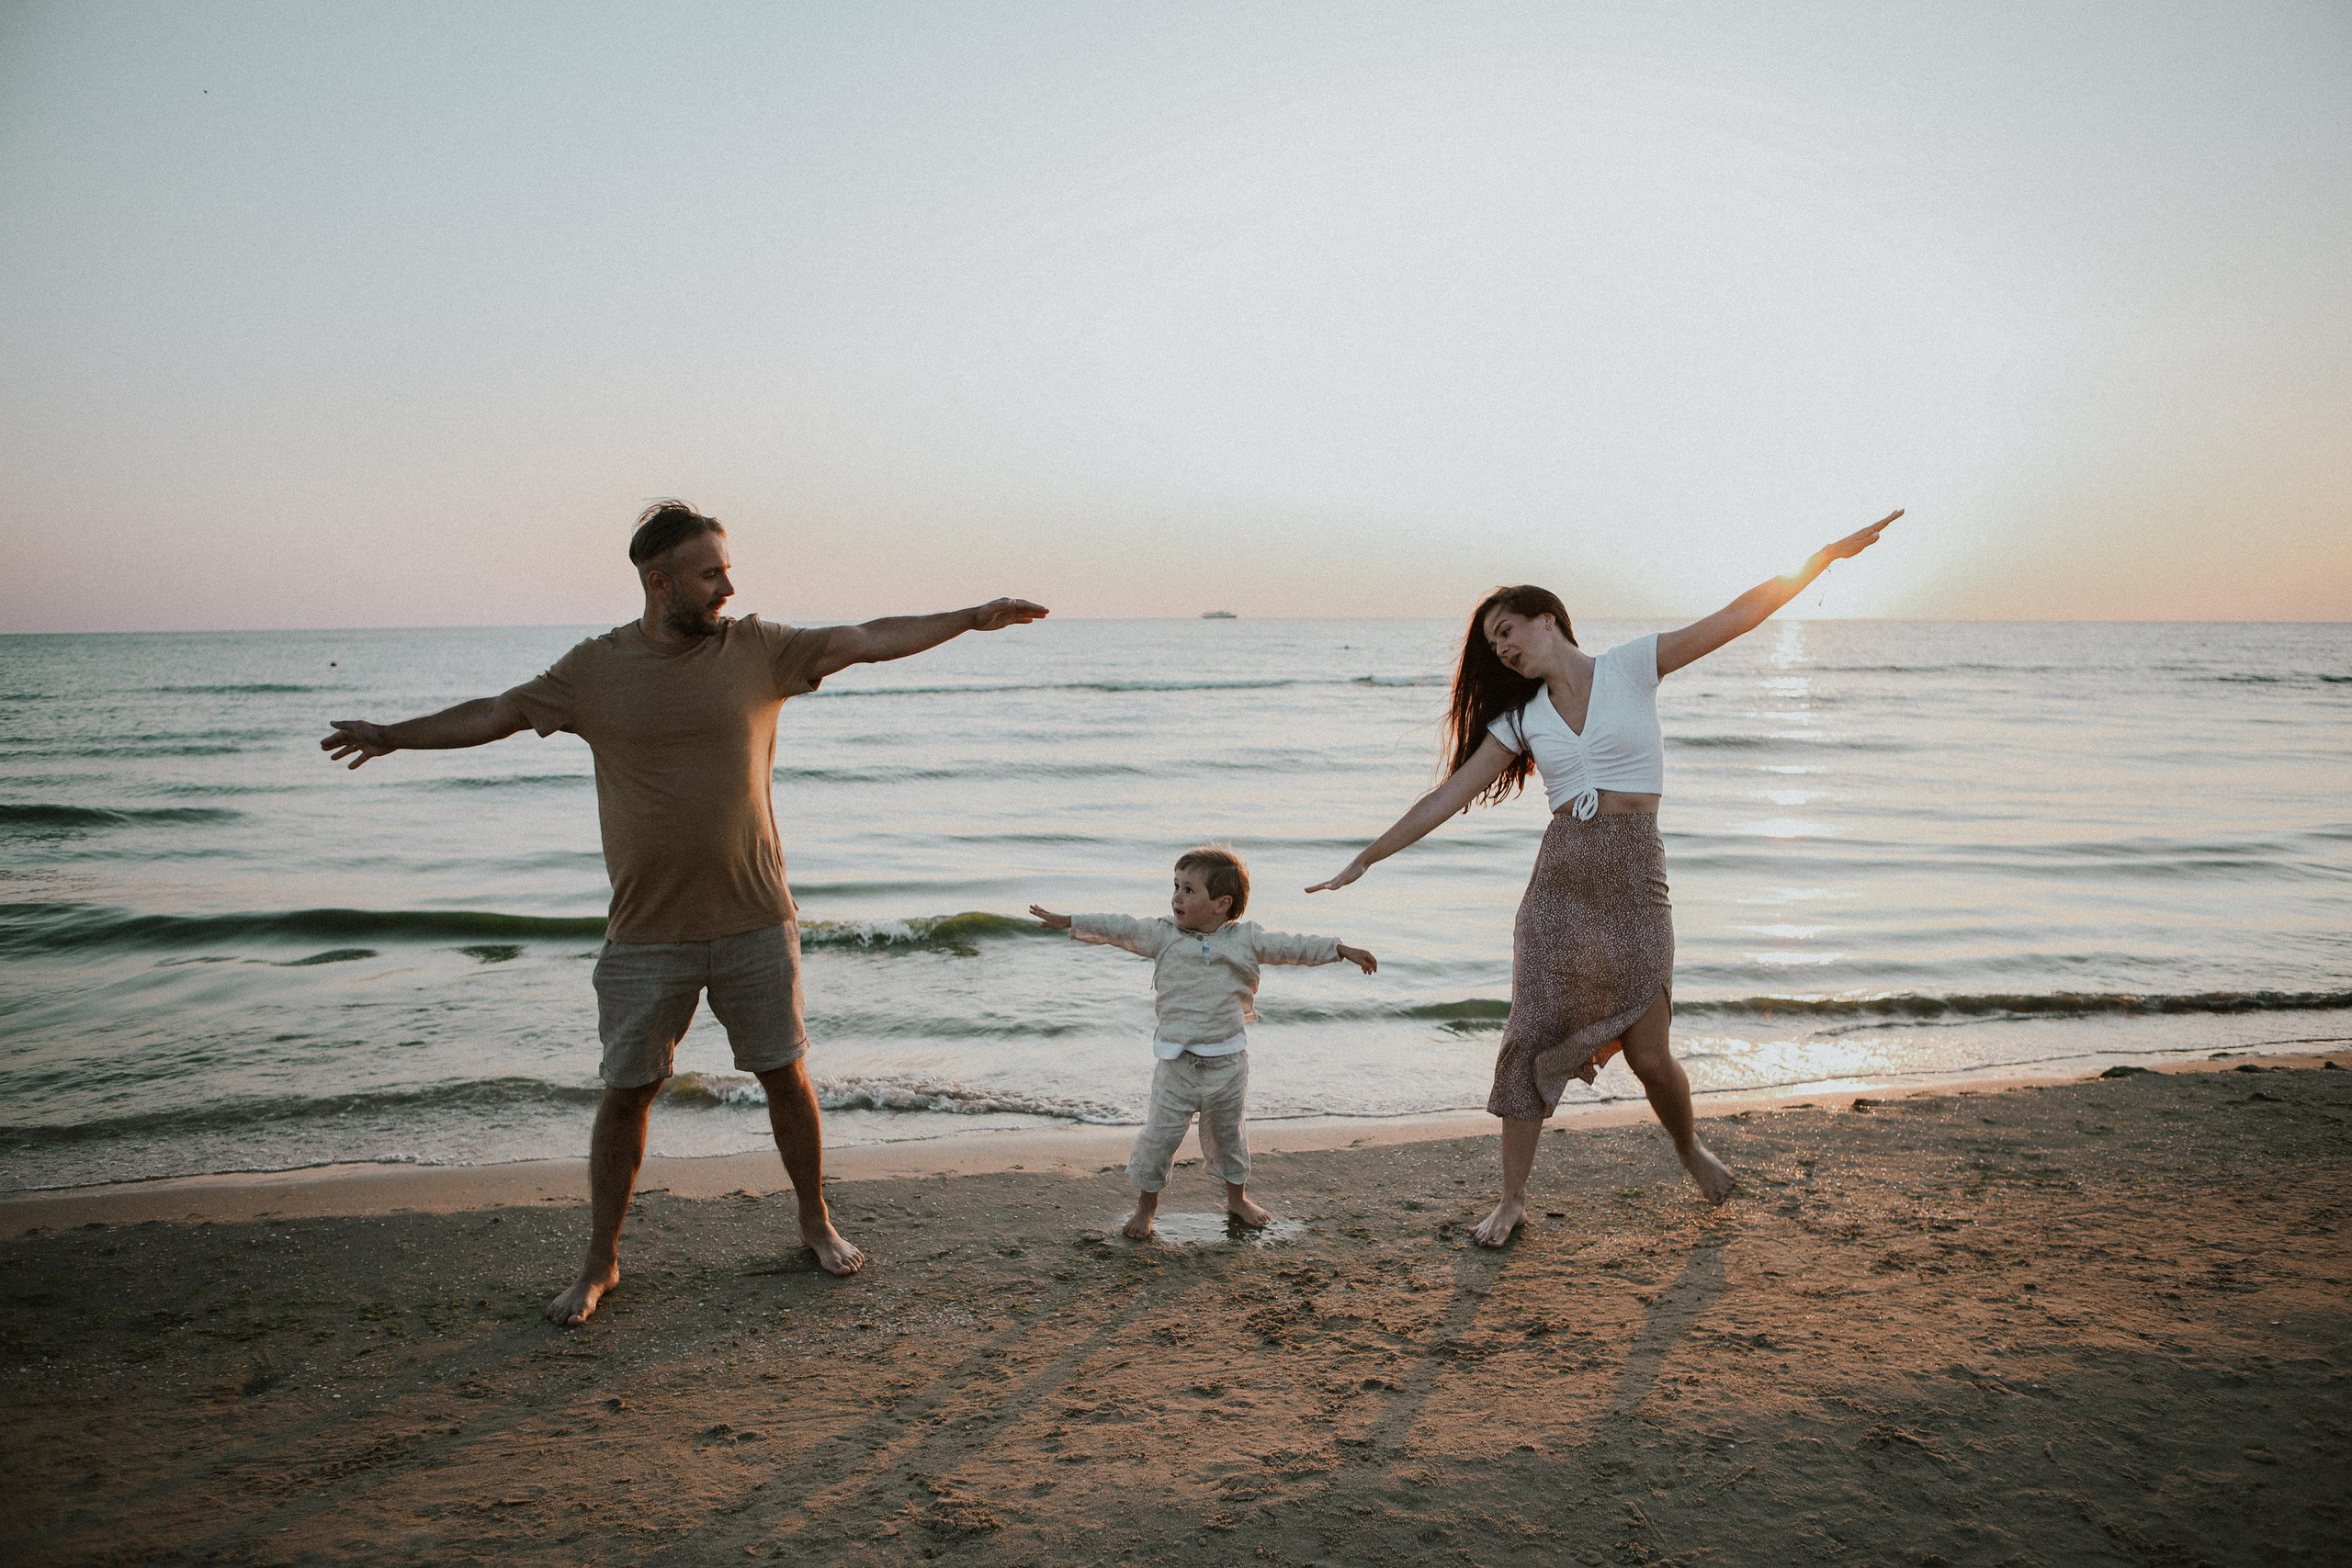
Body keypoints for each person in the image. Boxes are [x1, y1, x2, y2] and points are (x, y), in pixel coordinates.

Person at [321, 501, 1047, 1323]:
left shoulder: (760, 650)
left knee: (784, 1075)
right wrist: (392, 734)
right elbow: (497, 713)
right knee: (627, 1092)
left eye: (726, 570)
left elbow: (866, 637)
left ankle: (815, 1220)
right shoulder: (593, 671)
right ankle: (601, 1261)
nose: (728, 588)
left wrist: (969, 618)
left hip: (755, 917)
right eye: (710, 574)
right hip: (645, 934)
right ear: (658, 581)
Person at [1307, 512, 1901, 1246]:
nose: (1503, 649)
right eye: (1493, 644)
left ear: (1547, 619)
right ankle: (1512, 1199)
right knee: (1526, 1039)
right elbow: (1446, 796)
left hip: (1633, 875)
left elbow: (1738, 617)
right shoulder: (1521, 719)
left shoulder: (1632, 666)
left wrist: (1822, 559)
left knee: (1652, 1053)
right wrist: (1368, 857)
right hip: (1559, 887)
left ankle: (1689, 1149)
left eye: (1507, 632)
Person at [1029, 846, 1377, 1239]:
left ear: (1221, 904)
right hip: (1176, 1065)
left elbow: (1292, 946)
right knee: (1158, 1140)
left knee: (1228, 1138)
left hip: (1227, 1065)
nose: (1177, 897)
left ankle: (1237, 1199)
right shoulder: (1162, 934)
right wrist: (1072, 920)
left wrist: (1340, 949)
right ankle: (1145, 1210)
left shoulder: (1246, 939)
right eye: (1176, 886)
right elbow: (1120, 927)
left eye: (1189, 890)